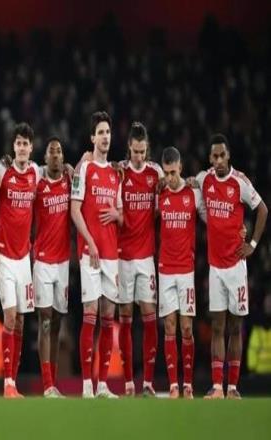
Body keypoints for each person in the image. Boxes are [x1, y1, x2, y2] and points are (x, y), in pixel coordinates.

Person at [196, 133, 268, 399]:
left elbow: (263, 210)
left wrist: (253, 244)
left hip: (236, 267)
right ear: (210, 158)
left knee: (235, 327)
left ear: (228, 156)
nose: (218, 160)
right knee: (217, 326)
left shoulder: (240, 182)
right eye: (214, 156)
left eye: (222, 155)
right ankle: (217, 386)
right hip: (215, 268)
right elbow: (188, 185)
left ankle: (233, 388)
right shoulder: (204, 179)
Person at [71, 111, 122, 398]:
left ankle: (103, 384)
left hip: (112, 255)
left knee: (108, 318)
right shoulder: (84, 169)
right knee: (90, 315)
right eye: (100, 132)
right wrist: (89, 241)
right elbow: (74, 210)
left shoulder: (116, 174)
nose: (105, 137)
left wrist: (117, 214)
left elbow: (122, 216)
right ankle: (86, 386)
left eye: (108, 132)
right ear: (92, 137)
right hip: (90, 254)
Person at [0, 122, 41, 398]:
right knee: (10, 317)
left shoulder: (35, 172)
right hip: (4, 256)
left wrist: (73, 166)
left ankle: (13, 380)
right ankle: (7, 383)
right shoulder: (3, 172)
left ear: (31, 148)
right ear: (13, 147)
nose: (22, 148)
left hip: (24, 258)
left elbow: (54, 173)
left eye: (26, 144)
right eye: (18, 143)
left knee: (21, 321)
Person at [115, 122, 163, 397]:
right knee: (125, 318)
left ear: (147, 149)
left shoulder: (155, 174)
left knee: (149, 316)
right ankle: (128, 383)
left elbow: (167, 197)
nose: (139, 156)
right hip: (122, 257)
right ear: (129, 149)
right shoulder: (119, 173)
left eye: (143, 152)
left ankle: (148, 383)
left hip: (146, 257)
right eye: (135, 151)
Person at [157, 147, 206, 399]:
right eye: (166, 173)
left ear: (181, 168)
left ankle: (188, 384)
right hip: (165, 269)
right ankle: (173, 386)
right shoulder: (160, 194)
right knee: (169, 326)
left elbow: (211, 219)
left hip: (186, 271)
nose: (170, 178)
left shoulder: (193, 193)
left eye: (173, 172)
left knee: (186, 328)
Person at [33, 137, 71, 398]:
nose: (56, 155)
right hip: (43, 261)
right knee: (45, 320)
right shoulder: (38, 184)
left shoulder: (70, 180)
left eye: (59, 151)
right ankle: (47, 385)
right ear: (45, 158)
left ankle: (53, 383)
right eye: (51, 152)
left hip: (63, 262)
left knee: (57, 321)